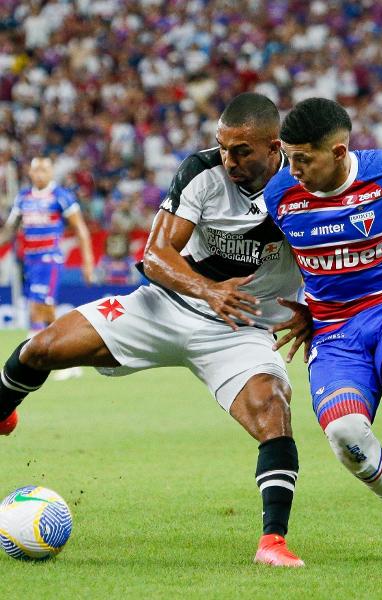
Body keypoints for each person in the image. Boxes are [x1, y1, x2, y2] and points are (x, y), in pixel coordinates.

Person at [0, 94, 311, 567]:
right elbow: (154, 255)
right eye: (222, 147)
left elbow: (334, 255)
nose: (228, 160)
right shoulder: (202, 172)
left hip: (241, 330)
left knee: (274, 412)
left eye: (241, 151)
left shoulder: (304, 184)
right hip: (168, 305)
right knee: (43, 347)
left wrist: (315, 309)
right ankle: (4, 412)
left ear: (274, 147)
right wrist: (208, 291)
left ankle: (273, 543)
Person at [264, 97, 382, 564]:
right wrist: (303, 306)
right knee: (346, 434)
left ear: (340, 152)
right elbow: (285, 257)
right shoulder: (280, 193)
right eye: (289, 157)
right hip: (334, 331)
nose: (294, 168)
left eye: (303, 158)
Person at [0, 157, 94, 380]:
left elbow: (80, 228)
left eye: (44, 169)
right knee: (43, 311)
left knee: (41, 308)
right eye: (36, 170)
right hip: (30, 261)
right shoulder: (23, 198)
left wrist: (87, 261)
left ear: (51, 173)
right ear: (30, 173)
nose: (40, 173)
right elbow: (10, 229)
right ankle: (65, 359)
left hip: (49, 259)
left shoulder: (61, 196)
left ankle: (44, 362)